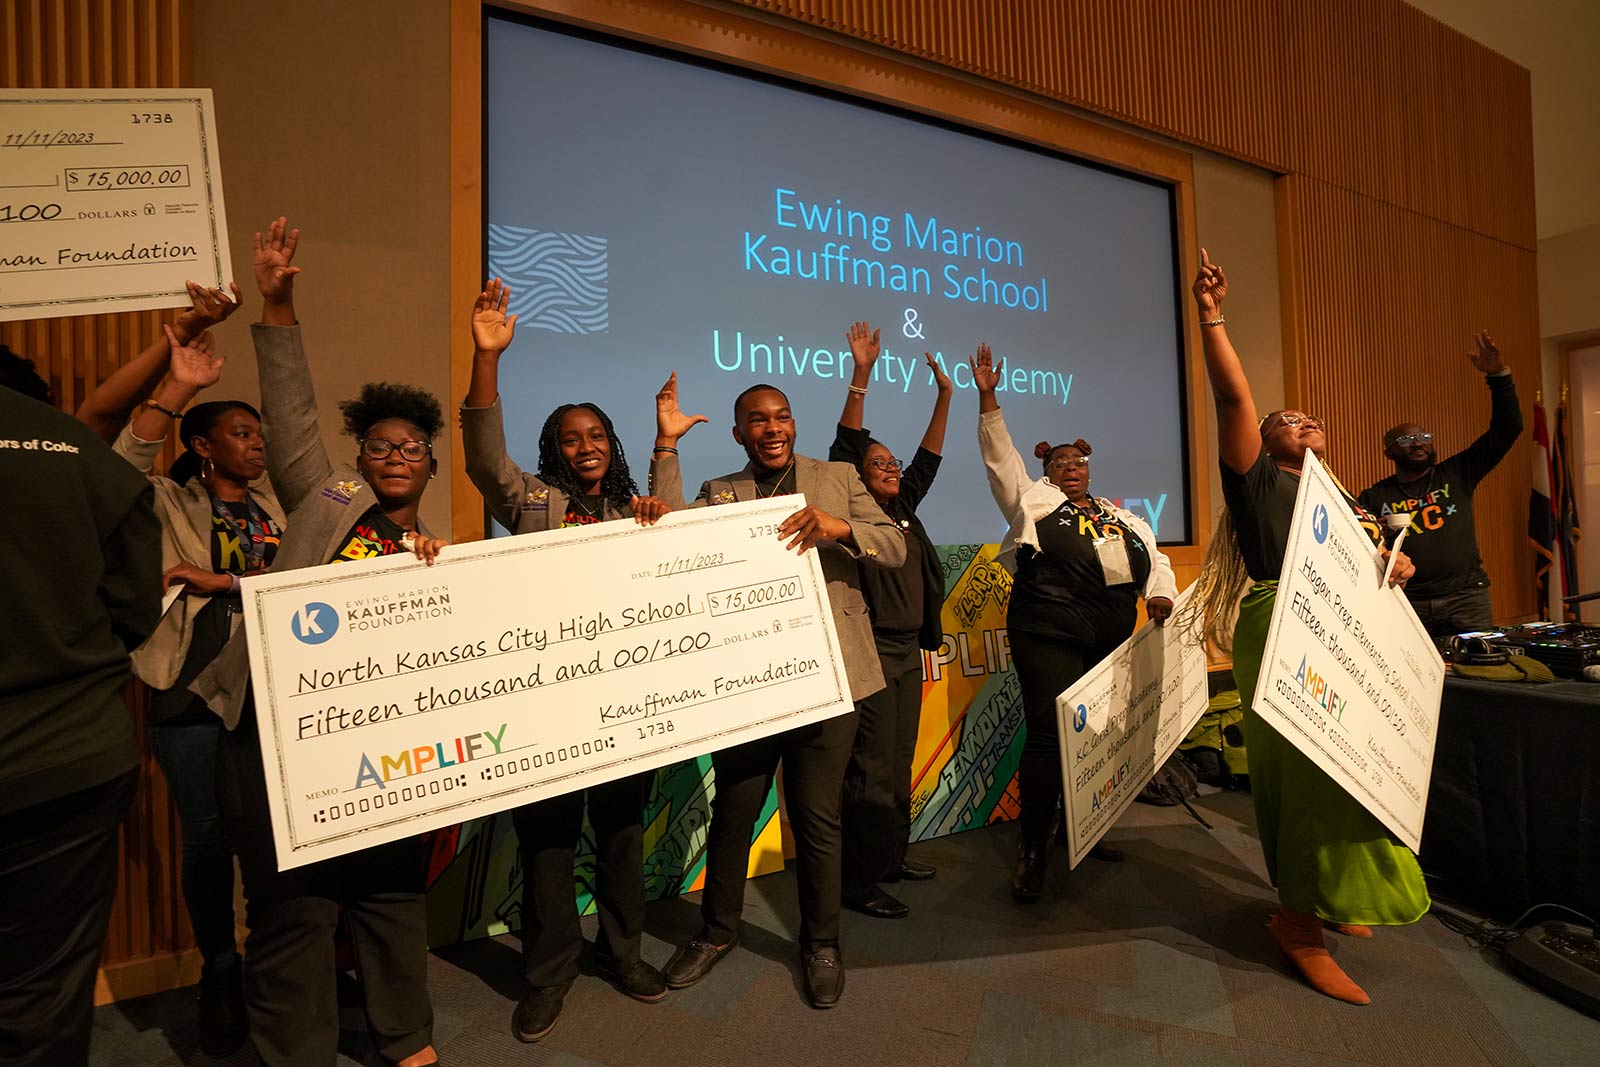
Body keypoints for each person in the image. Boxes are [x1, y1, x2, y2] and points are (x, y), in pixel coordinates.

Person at [193, 218, 446, 1067]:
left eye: (411, 446)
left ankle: (404, 1035)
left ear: (428, 466)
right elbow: (293, 408)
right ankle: (294, 1052)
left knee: (388, 895)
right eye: (378, 444)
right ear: (360, 458)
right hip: (274, 740)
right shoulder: (324, 498)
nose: (393, 454)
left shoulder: (438, 551)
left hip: (382, 749)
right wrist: (278, 301)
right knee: (292, 906)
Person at [1178, 248, 1423, 1006]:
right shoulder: (1258, 480)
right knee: (1312, 776)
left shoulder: (1341, 502)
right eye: (1286, 419)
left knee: (1356, 770)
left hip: (1350, 636)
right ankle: (1296, 921)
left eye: (1309, 416)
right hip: (1281, 626)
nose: (1299, 419)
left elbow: (1380, 569)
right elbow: (1233, 400)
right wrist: (1212, 318)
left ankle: (1334, 891)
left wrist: (1395, 568)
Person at [459, 278, 675, 1041]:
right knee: (549, 843)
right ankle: (548, 974)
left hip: (627, 706)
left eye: (597, 436)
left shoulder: (637, 510)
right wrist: (487, 360)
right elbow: (486, 461)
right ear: (556, 450)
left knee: (621, 836)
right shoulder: (536, 505)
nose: (586, 447)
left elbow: (680, 550)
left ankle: (624, 955)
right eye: (571, 438)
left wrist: (665, 454)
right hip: (550, 707)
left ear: (611, 444)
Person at [648, 377, 906, 1008]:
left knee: (817, 819)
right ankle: (716, 932)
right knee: (734, 816)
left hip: (832, 679)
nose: (772, 429)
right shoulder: (721, 492)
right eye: (758, 421)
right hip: (752, 684)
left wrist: (839, 527)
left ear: (794, 425)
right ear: (740, 434)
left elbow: (894, 546)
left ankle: (821, 944)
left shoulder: (838, 477)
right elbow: (673, 540)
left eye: (781, 417)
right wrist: (665, 448)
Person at [95, 325, 280, 1056]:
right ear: (205, 444)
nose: (257, 444)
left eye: (259, 433)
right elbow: (123, 460)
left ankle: (274, 965)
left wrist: (230, 579)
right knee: (208, 840)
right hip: (190, 697)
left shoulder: (279, 505)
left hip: (273, 693)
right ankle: (221, 973)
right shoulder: (167, 499)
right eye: (241, 433)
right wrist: (179, 390)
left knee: (272, 841)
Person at [971, 343, 1177, 900]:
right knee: (1047, 734)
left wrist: (1159, 594)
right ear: (1047, 471)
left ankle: (1083, 828)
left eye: (1078, 462)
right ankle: (1034, 847)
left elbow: (1155, 560)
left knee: (1097, 736)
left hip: (1110, 639)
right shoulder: (1033, 502)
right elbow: (999, 459)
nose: (1072, 469)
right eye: (1061, 464)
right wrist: (989, 399)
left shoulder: (1120, 514)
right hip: (1047, 633)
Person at [0, 363, 162, 1066]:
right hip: (72, 756)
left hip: (64, 757)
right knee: (43, 997)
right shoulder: (83, 456)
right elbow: (132, 612)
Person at [829, 321, 951, 920]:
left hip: (908, 650)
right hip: (870, 649)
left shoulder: (902, 508)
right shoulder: (854, 507)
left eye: (892, 462)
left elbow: (928, 459)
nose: (890, 467)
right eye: (878, 462)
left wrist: (947, 396)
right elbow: (850, 445)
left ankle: (890, 857)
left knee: (899, 761)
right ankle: (858, 881)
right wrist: (862, 374)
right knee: (872, 768)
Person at [1358, 333, 1522, 637]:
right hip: (1407, 601)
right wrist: (1376, 535)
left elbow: (1507, 429)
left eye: (1424, 437)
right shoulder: (1374, 495)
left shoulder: (1457, 472)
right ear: (1388, 453)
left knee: (1482, 676)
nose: (1418, 442)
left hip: (1467, 598)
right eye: (1405, 440)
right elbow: (1356, 543)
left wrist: (1498, 376)